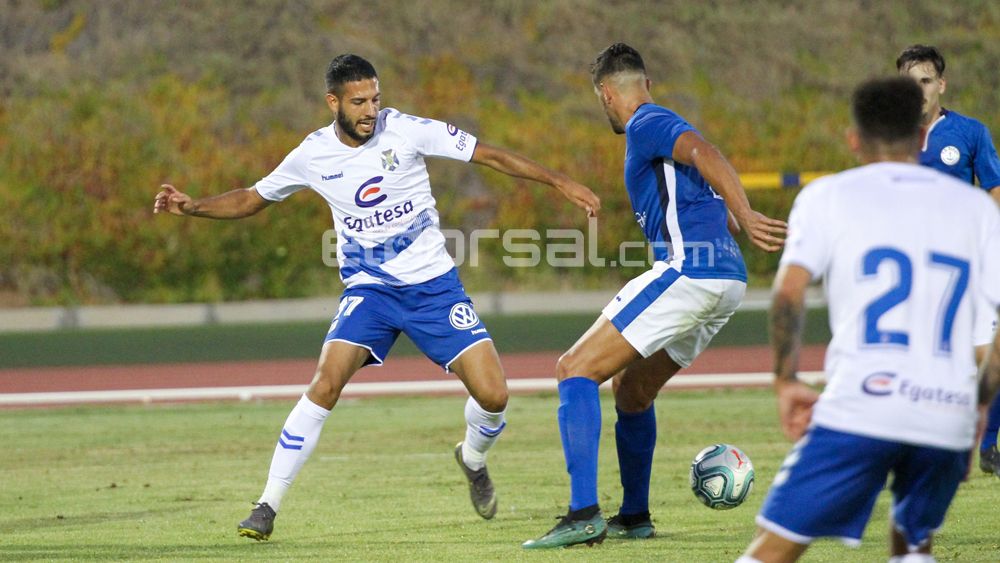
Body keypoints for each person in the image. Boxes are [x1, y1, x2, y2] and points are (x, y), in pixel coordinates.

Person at [153, 53, 601, 541]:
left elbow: (489, 155)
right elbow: (253, 197)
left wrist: (561, 181)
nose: (371, 110)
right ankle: (266, 505)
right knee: (325, 381)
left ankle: (472, 457)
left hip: (434, 288)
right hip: (371, 289)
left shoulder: (407, 130)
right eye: (359, 101)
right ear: (334, 102)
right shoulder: (311, 154)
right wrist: (193, 206)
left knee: (494, 395)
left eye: (375, 99)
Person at [522, 43, 787, 549]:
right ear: (646, 81)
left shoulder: (647, 122)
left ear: (605, 92)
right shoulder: (661, 123)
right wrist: (734, 220)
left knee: (573, 369)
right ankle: (635, 515)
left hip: (690, 271)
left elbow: (706, 153)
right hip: (727, 279)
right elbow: (702, 184)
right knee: (632, 391)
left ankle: (582, 514)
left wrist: (747, 214)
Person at [738, 77, 1000, 563]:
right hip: (946, 412)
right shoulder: (978, 211)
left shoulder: (827, 197)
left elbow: (788, 292)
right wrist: (977, 410)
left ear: (854, 139)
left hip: (863, 404)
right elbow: (996, 339)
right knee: (913, 544)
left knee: (770, 548)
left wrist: (784, 380)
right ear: (923, 136)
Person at [896, 44, 1000, 476]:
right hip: (912, 273)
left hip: (968, 268)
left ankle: (990, 444)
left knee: (990, 360)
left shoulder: (970, 133)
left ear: (941, 84)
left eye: (925, 81)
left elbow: (994, 192)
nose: (917, 91)